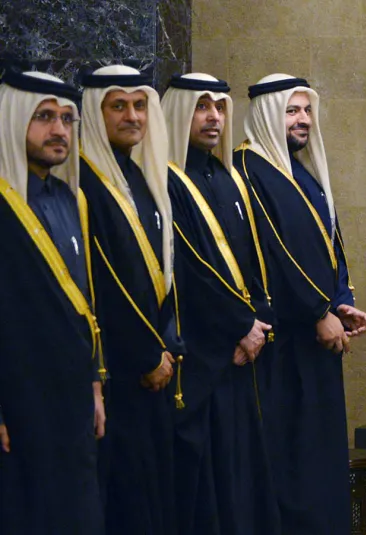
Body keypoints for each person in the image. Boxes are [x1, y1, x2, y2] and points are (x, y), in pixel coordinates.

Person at [235, 73, 366, 534]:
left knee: (320, 459)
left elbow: (329, 242)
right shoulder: (249, 169)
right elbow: (274, 253)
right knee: (292, 463)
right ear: (269, 114)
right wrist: (317, 312)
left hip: (318, 336)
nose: (304, 120)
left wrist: (342, 302)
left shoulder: (300, 172)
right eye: (292, 110)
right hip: (285, 343)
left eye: (307, 110)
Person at [162, 72, 280, 535]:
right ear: (179, 111)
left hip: (243, 349)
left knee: (242, 470)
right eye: (202, 106)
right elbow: (191, 268)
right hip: (205, 349)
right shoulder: (169, 179)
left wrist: (260, 323)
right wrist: (238, 326)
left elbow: (253, 257)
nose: (213, 117)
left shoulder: (228, 176)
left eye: (219, 107)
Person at [0, 70, 105, 535]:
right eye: (44, 117)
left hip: (73, 399)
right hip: (19, 399)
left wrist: (95, 385)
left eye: (66, 118)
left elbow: (84, 304)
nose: (59, 129)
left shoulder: (68, 197)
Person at [79, 65, 180, 535]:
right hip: (120, 371)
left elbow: (161, 272)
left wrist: (167, 344)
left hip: (156, 364)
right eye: (118, 106)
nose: (132, 116)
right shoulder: (85, 181)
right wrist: (146, 354)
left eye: (139, 105)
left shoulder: (136, 174)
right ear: (94, 112)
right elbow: (106, 282)